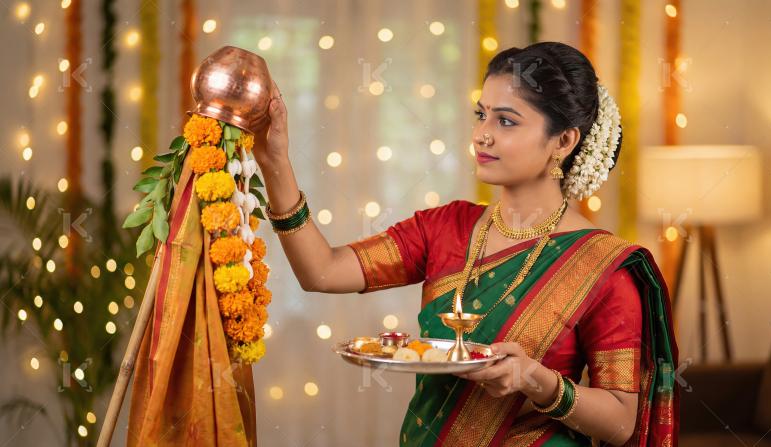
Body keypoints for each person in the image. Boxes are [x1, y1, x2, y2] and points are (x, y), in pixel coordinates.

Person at [252, 41, 678, 447]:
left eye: (506, 121)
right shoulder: (445, 227)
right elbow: (322, 271)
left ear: (563, 142)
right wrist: (275, 164)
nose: (481, 135)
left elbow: (623, 422)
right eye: (481, 115)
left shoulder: (603, 265)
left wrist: (536, 379)